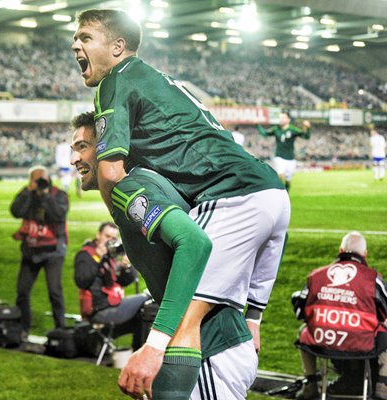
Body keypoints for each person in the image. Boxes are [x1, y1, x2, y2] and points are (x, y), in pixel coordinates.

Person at [72, 8, 289, 361]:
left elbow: (110, 171)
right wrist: (256, 316)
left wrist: (126, 214)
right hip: (271, 193)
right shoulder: (155, 79)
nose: (75, 45)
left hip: (229, 195)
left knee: (182, 325)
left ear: (117, 47)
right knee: (228, 322)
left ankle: (157, 364)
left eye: (85, 38)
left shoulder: (116, 80)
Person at [71, 111, 257, 400]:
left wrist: (155, 344)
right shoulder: (142, 182)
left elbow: (195, 243)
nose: (74, 159)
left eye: (82, 146)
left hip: (209, 351)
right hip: (209, 345)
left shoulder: (130, 188)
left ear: (110, 143)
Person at [292, 231, 387, 399]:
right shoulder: (373, 280)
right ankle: (382, 385)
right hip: (361, 345)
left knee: (303, 330)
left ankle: (311, 384)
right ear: (365, 254)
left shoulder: (316, 276)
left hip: (322, 343)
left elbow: (300, 311)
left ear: (340, 249)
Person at [10, 165, 69, 339]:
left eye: (43, 179)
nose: (41, 182)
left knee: (55, 292)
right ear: (31, 181)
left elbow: (59, 215)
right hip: (31, 250)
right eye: (36, 180)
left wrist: (45, 197)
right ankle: (23, 328)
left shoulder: (58, 194)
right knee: (22, 291)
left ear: (49, 178)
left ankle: (61, 330)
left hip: (53, 251)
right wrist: (28, 192)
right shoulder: (27, 193)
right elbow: (16, 211)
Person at [74, 221, 149, 351]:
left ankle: (136, 352)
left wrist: (127, 267)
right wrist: (97, 258)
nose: (109, 241)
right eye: (106, 236)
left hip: (112, 304)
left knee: (144, 313)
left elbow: (124, 281)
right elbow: (82, 281)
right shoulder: (86, 255)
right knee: (146, 300)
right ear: (98, 235)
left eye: (113, 238)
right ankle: (137, 351)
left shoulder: (111, 255)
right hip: (99, 309)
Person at [256, 111, 311, 192]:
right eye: (280, 118)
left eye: (283, 118)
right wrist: (258, 124)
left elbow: (306, 137)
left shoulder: (293, 129)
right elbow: (264, 133)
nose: (281, 120)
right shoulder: (276, 129)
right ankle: (279, 194)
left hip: (290, 158)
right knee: (280, 175)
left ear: (288, 120)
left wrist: (308, 128)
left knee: (288, 180)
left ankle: (286, 193)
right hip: (279, 157)